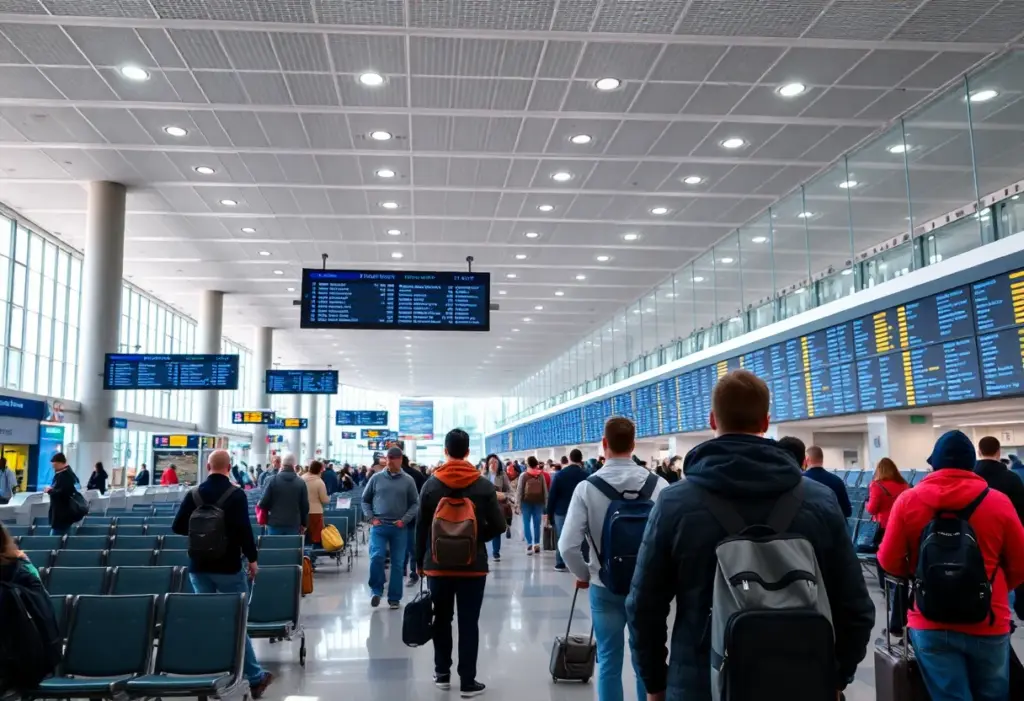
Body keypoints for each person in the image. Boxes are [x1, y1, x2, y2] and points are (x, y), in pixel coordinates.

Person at [627, 370, 874, 701]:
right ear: (765, 420)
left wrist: (655, 683)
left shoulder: (675, 503)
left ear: (713, 419)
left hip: (701, 684)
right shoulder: (819, 502)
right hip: (799, 682)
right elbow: (856, 607)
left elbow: (644, 607)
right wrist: (836, 676)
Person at [879, 430, 1024, 701]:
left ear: (934, 464)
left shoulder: (908, 501)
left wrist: (918, 575)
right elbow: (1021, 563)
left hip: (929, 619)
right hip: (988, 618)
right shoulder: (998, 502)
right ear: (972, 464)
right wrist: (997, 588)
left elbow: (888, 560)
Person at [558, 418, 667, 701]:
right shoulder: (660, 486)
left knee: (608, 661)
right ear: (633, 444)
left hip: (604, 586)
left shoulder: (587, 488)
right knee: (647, 661)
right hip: (647, 589)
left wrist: (585, 574)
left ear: (604, 444)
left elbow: (567, 545)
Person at [171, 449, 273, 698]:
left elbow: (178, 526)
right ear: (229, 467)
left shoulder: (194, 494)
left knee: (207, 618)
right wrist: (252, 559)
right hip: (228, 566)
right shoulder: (236, 495)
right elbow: (243, 531)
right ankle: (254, 676)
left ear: (208, 466)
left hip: (199, 567)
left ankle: (209, 669)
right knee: (237, 621)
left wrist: (202, 532)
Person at [416, 428, 505, 698]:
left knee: (441, 619)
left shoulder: (431, 484)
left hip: (437, 564)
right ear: (467, 452)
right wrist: (475, 539)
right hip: (473, 565)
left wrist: (420, 562)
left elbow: (420, 527)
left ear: (446, 451)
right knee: (469, 622)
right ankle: (468, 681)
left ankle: (442, 673)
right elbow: (499, 525)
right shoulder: (483, 485)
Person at [361, 447, 419, 609]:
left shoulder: (408, 481)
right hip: (379, 526)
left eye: (395, 458)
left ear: (401, 459)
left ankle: (394, 597)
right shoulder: (376, 478)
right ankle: (376, 590)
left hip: (399, 527)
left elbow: (415, 503)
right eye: (389, 458)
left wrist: (404, 520)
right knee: (377, 556)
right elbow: (365, 500)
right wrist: (371, 518)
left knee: (398, 562)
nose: (391, 461)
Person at [865, 457, 910, 639]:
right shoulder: (904, 485)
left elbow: (872, 508)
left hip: (884, 526)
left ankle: (885, 585)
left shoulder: (877, 486)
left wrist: (869, 504)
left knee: (882, 556)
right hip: (902, 525)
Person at [546, 448, 588, 572]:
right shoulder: (586, 475)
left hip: (561, 511)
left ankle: (560, 562)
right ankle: (582, 561)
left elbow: (552, 496)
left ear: (569, 459)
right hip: (580, 510)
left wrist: (549, 514)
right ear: (581, 460)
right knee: (581, 536)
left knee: (561, 536)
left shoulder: (560, 475)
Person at [975, 435, 1024, 522]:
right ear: (998, 452)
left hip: (974, 531)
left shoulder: (971, 478)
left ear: (979, 452)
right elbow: (1021, 511)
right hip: (1006, 530)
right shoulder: (1013, 478)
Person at [258, 453, 309, 536]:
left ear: (282, 464)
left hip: (274, 523)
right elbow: (305, 506)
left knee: (274, 548)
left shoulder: (272, 480)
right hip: (294, 523)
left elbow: (263, 503)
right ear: (294, 465)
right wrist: (304, 524)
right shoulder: (301, 483)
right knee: (291, 548)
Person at [801, 444, 853, 517]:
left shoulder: (800, 481)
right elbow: (847, 511)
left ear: (807, 460)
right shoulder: (837, 481)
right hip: (832, 526)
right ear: (822, 460)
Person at [401, 450, 428, 586]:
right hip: (415, 513)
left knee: (400, 544)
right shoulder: (418, 475)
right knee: (412, 544)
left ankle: (401, 570)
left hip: (399, 514)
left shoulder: (399, 476)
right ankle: (413, 571)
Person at [484, 453, 513, 562]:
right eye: (491, 462)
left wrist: (504, 495)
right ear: (487, 464)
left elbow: (509, 491)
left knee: (496, 528)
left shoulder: (502, 475)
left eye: (495, 462)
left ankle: (496, 552)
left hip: (498, 506)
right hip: (485, 505)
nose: (493, 464)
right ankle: (485, 552)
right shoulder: (484, 475)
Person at [516, 456, 548, 555]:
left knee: (526, 522)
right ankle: (537, 543)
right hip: (539, 502)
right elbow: (545, 490)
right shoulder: (540, 475)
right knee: (537, 523)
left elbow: (519, 491)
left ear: (528, 464)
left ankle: (529, 544)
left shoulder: (523, 475)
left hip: (526, 502)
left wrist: (518, 504)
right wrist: (545, 503)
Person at [45, 453, 81, 536]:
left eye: (55, 465)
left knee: (55, 539)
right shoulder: (67, 474)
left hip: (62, 513)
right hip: (63, 513)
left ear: (61, 463)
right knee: (66, 536)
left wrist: (50, 491)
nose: (53, 467)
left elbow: (63, 493)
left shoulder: (65, 476)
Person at [302, 460, 330, 566]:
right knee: (314, 537)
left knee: (304, 536)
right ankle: (311, 560)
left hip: (303, 512)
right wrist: (328, 499)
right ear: (319, 470)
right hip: (315, 512)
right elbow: (324, 499)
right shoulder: (319, 482)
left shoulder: (301, 479)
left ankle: (305, 558)